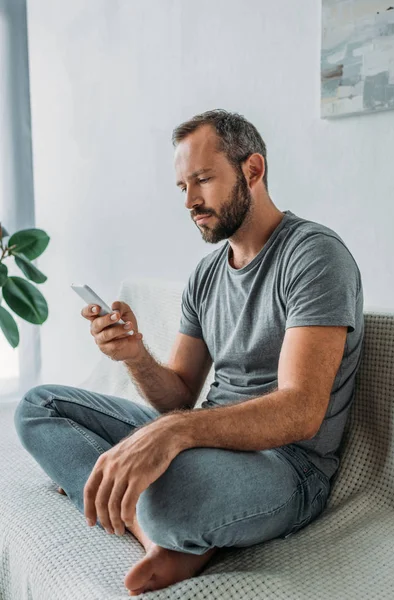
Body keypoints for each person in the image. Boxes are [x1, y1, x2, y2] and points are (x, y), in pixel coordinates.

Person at [14, 109, 364, 596]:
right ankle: (155, 533)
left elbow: (301, 411)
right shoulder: (205, 275)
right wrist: (135, 356)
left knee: (164, 498)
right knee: (37, 407)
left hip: (287, 465)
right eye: (182, 187)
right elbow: (178, 395)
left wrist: (173, 433)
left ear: (253, 171)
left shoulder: (313, 256)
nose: (190, 201)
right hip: (208, 442)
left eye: (202, 179)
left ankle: (135, 508)